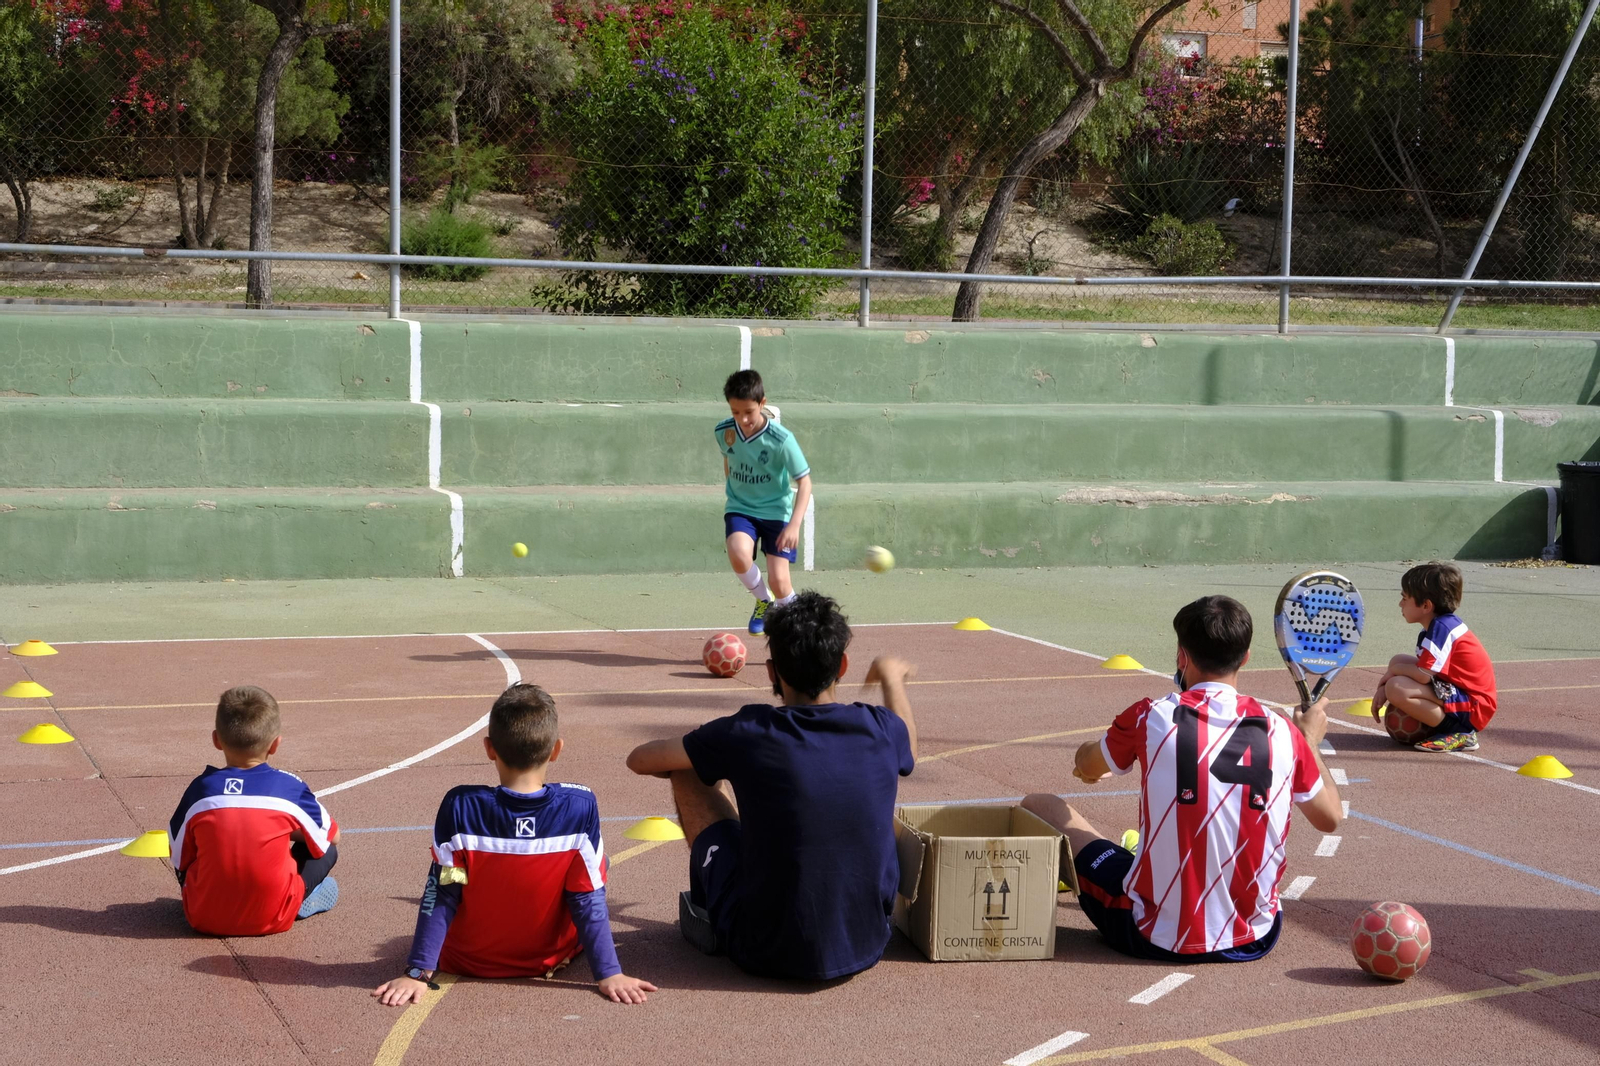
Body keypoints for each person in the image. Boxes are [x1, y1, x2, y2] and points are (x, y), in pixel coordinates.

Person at [1023, 595, 1342, 962]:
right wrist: (1310, 743)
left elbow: (1090, 765)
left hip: (1152, 934)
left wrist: (1087, 764)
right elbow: (1329, 818)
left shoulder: (1150, 716)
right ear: (1246, 657)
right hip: (1254, 936)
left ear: (1181, 656)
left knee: (1041, 805)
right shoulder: (1283, 731)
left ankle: (1126, 858)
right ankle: (1138, 853)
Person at [625, 591, 915, 981]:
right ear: (842, 665)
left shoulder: (748, 731)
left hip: (761, 948)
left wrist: (712, 757)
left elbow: (639, 760)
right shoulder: (880, 728)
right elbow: (908, 746)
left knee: (687, 767)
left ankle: (716, 901)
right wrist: (892, 679)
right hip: (867, 942)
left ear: (771, 671)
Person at [373, 683, 655, 1006]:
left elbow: (443, 892)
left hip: (466, 960)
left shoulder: (459, 806)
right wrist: (610, 972)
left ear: (489, 748)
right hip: (546, 959)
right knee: (596, 866)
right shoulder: (580, 806)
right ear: (556, 749)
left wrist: (418, 971)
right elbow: (587, 898)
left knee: (446, 873)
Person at [169, 685, 340, 936]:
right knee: (325, 847)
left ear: (216, 740)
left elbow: (178, 854)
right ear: (275, 745)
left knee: (192, 840)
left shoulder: (201, 789)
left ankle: (215, 898)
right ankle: (300, 897)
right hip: (274, 917)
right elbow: (332, 837)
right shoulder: (289, 787)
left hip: (202, 917)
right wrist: (283, 832)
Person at [717, 369, 812, 635]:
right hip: (741, 508)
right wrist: (733, 490)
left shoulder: (782, 440)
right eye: (736, 412)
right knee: (738, 552)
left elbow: (805, 483)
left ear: (762, 403)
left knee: (780, 581)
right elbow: (729, 456)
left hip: (777, 513)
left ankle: (799, 631)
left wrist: (794, 525)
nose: (743, 419)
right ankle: (763, 600)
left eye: (748, 411)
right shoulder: (723, 431)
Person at [1370, 561, 1498, 753]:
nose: (1400, 604)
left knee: (1396, 687)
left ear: (1426, 605)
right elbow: (1425, 672)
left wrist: (1390, 677)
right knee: (1398, 660)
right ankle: (1449, 725)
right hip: (1458, 691)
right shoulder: (1434, 628)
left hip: (1475, 705)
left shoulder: (1443, 629)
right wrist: (1390, 675)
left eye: (1405, 598)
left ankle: (1460, 733)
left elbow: (1422, 675)